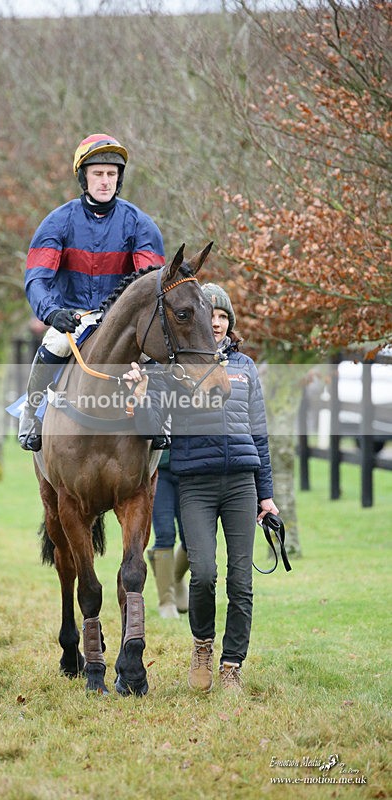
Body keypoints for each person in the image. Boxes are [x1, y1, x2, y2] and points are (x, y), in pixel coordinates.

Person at [124, 283, 278, 692]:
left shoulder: (245, 368)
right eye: (210, 315)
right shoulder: (173, 370)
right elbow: (150, 429)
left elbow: (260, 436)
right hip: (196, 484)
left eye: (223, 315)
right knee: (204, 573)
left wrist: (267, 495)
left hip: (242, 483)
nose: (217, 321)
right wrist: (140, 394)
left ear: (229, 323)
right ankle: (203, 647)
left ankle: (231, 666)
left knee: (241, 581)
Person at [18, 133, 165, 451]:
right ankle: (32, 415)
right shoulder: (57, 222)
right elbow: (37, 279)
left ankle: (158, 417)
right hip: (73, 316)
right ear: (83, 177)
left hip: (122, 319)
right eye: (98, 173)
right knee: (53, 345)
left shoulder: (140, 224)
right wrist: (53, 312)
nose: (105, 181)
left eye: (111, 174)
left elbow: (151, 284)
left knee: (153, 352)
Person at [147, 449, 190, 619]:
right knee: (165, 533)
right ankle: (166, 601)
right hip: (159, 470)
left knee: (190, 536)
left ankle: (175, 578)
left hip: (188, 468)